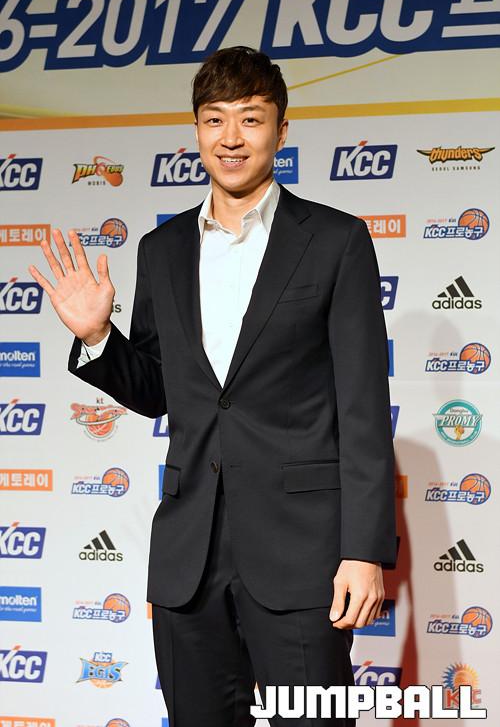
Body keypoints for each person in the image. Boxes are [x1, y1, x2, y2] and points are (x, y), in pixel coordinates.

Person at [30, 46, 396, 726]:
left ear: (281, 130)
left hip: (302, 554)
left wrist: (364, 551)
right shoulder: (162, 249)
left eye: (250, 119)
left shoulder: (335, 241)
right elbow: (159, 390)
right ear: (196, 130)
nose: (231, 137)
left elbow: (364, 409)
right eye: (215, 119)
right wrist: (98, 337)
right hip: (188, 558)